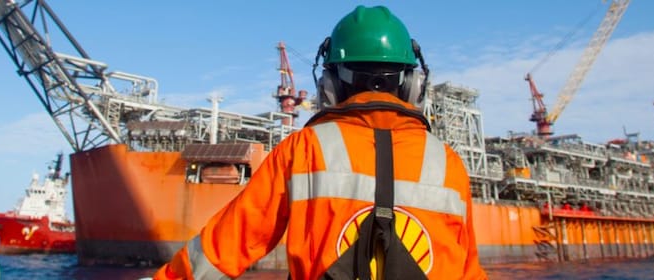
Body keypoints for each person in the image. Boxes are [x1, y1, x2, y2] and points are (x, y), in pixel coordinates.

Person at [154, 5, 486, 280]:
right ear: (413, 85)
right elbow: (469, 270)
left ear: (328, 84)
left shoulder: (303, 150)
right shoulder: (448, 164)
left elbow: (222, 248)